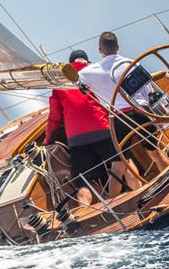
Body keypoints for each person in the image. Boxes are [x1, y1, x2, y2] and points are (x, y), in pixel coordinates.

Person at [44, 50, 133, 206]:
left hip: (76, 139)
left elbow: (55, 117)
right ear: (87, 60)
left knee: (83, 182)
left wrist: (47, 140)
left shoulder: (59, 84)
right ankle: (139, 190)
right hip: (102, 129)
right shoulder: (93, 73)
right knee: (124, 162)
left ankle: (88, 215)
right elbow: (109, 99)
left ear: (69, 64)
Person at [79, 32, 169, 173]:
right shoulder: (132, 63)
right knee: (156, 153)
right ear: (118, 47)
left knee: (118, 165)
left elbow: (74, 79)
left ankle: (117, 195)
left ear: (100, 51)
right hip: (141, 113)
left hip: (119, 119)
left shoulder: (88, 72)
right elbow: (147, 91)